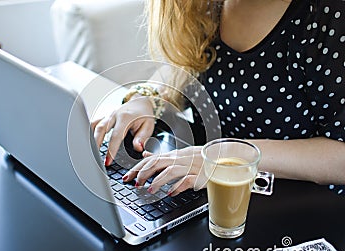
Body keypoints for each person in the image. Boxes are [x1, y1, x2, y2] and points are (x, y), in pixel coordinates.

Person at [92, 0, 345, 196]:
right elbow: (185, 66)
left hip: (304, 214)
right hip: (211, 195)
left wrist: (228, 156)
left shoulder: (328, 15)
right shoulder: (208, 6)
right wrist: (148, 98)